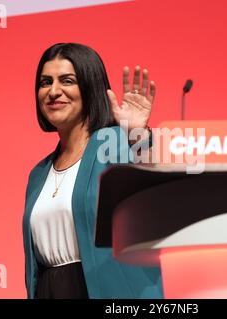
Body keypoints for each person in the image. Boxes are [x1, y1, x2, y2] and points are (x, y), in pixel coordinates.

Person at [22, 43, 162, 299]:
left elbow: (155, 198)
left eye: (67, 81)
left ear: (90, 86)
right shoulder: (38, 174)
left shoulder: (114, 143)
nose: (53, 91)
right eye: (45, 82)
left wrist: (138, 136)